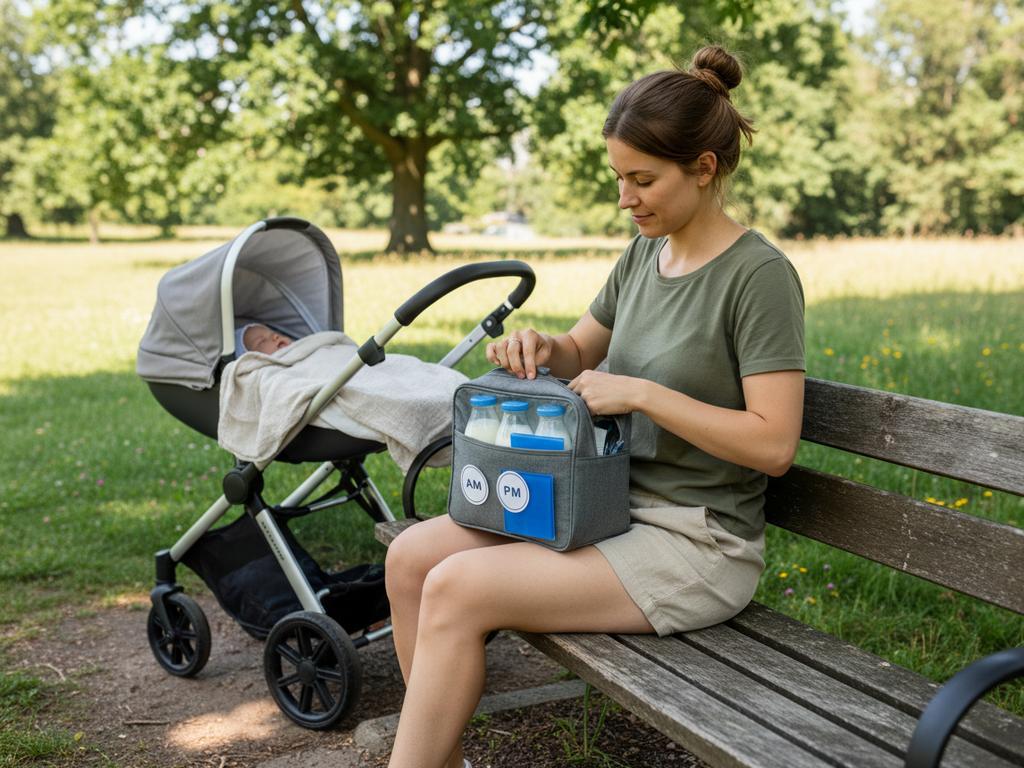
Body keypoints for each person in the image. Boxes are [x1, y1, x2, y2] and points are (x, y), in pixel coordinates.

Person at [383, 44, 805, 768]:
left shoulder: (757, 277)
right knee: (411, 557)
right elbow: (581, 350)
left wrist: (643, 394)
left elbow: (774, 444)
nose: (625, 199)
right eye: (619, 178)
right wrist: (541, 347)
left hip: (697, 543)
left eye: (643, 179)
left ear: (704, 168)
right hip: (607, 506)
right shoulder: (645, 253)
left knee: (457, 586)